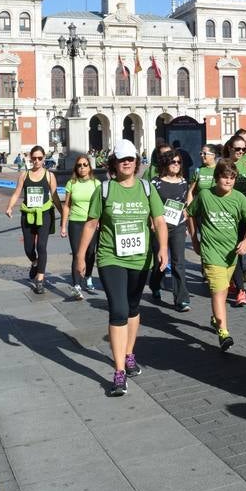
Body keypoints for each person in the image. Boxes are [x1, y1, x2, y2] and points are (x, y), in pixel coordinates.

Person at [75, 139, 168, 396]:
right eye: (121, 159)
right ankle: (118, 372)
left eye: (130, 159)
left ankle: (128, 353)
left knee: (133, 307)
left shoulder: (148, 189)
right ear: (114, 163)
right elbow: (91, 225)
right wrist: (80, 257)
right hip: (110, 258)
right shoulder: (104, 190)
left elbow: (159, 222)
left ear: (136, 162)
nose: (126, 163)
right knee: (118, 309)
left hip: (140, 259)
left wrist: (162, 249)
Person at [187, 159, 246, 351]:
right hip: (211, 252)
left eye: (232, 178)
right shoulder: (204, 195)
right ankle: (223, 332)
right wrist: (195, 239)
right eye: (225, 177)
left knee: (224, 287)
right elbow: (190, 213)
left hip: (230, 253)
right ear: (216, 178)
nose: (228, 181)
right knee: (218, 291)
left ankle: (215, 318)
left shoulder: (238, 198)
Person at [5, 145, 63, 294]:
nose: (37, 161)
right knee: (29, 248)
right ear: (30, 158)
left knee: (41, 247)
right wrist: (10, 207)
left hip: (44, 214)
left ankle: (40, 279)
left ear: (44, 158)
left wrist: (63, 213)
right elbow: (17, 192)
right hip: (28, 214)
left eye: (40, 158)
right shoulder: (24, 175)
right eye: (34, 158)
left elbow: (55, 196)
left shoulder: (50, 176)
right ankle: (35, 262)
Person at [149, 149, 190, 311]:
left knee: (178, 262)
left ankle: (181, 299)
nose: (176, 165)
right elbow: (149, 205)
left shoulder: (182, 182)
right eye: (173, 162)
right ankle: (155, 284)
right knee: (160, 261)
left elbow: (183, 202)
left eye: (179, 162)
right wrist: (152, 221)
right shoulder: (155, 183)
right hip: (159, 227)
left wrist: (185, 219)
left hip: (178, 226)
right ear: (166, 163)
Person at [60, 154, 101, 299]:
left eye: (85, 165)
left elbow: (101, 206)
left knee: (90, 253)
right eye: (79, 165)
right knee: (77, 253)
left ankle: (88, 275)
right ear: (76, 168)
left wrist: (100, 222)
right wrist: (63, 226)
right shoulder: (71, 183)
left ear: (90, 167)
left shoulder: (96, 184)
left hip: (91, 222)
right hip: (75, 222)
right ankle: (77, 285)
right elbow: (67, 206)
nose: (82, 168)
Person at [223, 134, 246, 306]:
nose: (242, 151)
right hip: (228, 213)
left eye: (244, 148)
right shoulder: (223, 165)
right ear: (230, 148)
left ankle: (238, 283)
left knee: (243, 247)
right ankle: (240, 289)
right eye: (238, 149)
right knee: (235, 249)